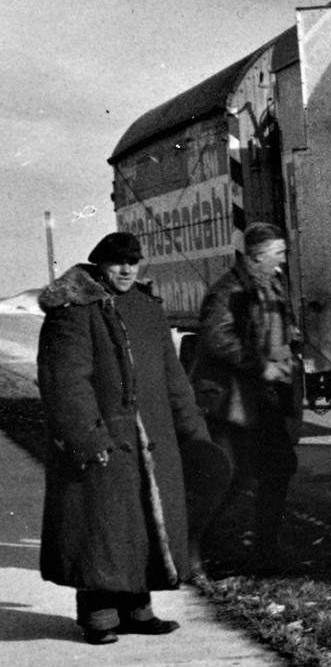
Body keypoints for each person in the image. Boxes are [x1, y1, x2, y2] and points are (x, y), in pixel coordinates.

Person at [36, 231, 213, 645]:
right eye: (118, 263)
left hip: (152, 437)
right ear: (100, 265)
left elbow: (173, 377)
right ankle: (97, 614)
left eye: (134, 262)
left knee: (143, 524)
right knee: (101, 528)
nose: (127, 270)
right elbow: (65, 383)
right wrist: (87, 437)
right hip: (103, 439)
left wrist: (194, 431)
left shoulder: (147, 308)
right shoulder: (73, 311)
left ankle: (137, 610)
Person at [189, 222, 301, 575]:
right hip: (230, 400)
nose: (283, 261)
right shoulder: (228, 290)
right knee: (229, 475)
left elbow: (275, 331)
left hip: (259, 398)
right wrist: (261, 366)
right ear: (256, 257)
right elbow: (216, 338)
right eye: (278, 254)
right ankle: (190, 550)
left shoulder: (270, 286)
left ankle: (264, 553)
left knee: (279, 466)